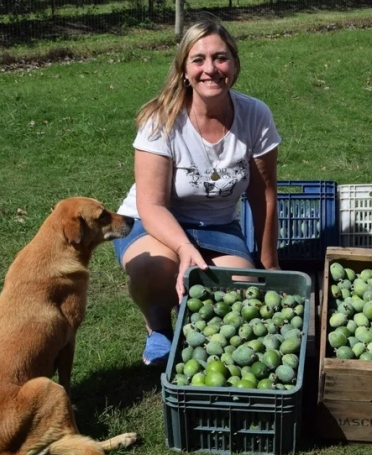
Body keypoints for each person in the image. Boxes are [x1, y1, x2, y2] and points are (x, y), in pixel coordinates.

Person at [113, 20, 281, 366]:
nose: (210, 69)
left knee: (240, 291)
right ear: (184, 70)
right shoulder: (161, 120)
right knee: (156, 268)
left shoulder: (255, 115)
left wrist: (270, 266)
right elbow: (151, 203)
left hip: (218, 229)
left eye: (220, 58)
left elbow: (263, 194)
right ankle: (158, 327)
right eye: (198, 60)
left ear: (234, 65)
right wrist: (184, 247)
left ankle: (198, 338)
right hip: (153, 223)